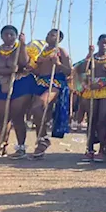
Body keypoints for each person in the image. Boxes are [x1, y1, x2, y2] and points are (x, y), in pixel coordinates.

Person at [75, 34, 106, 162]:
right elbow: (82, 70)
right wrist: (89, 55)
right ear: (98, 43)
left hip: (105, 90)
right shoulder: (92, 58)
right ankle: (89, 149)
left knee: (102, 119)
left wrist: (101, 84)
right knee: (91, 119)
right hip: (92, 90)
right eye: (102, 42)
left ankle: (102, 149)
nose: (104, 45)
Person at [30, 29, 73, 159]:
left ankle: (43, 139)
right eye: (48, 34)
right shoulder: (41, 50)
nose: (49, 36)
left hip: (55, 82)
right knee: (38, 111)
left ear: (59, 39)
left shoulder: (61, 51)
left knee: (39, 106)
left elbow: (69, 72)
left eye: (53, 35)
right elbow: (38, 71)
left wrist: (58, 64)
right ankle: (42, 139)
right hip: (40, 82)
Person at [0, 25, 33, 158]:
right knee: (4, 116)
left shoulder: (20, 49)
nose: (8, 37)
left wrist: (22, 45)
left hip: (21, 84)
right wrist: (8, 71)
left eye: (11, 34)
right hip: (2, 84)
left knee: (17, 116)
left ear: (16, 36)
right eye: (6, 34)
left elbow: (24, 62)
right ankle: (2, 145)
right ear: (1, 36)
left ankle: (21, 147)